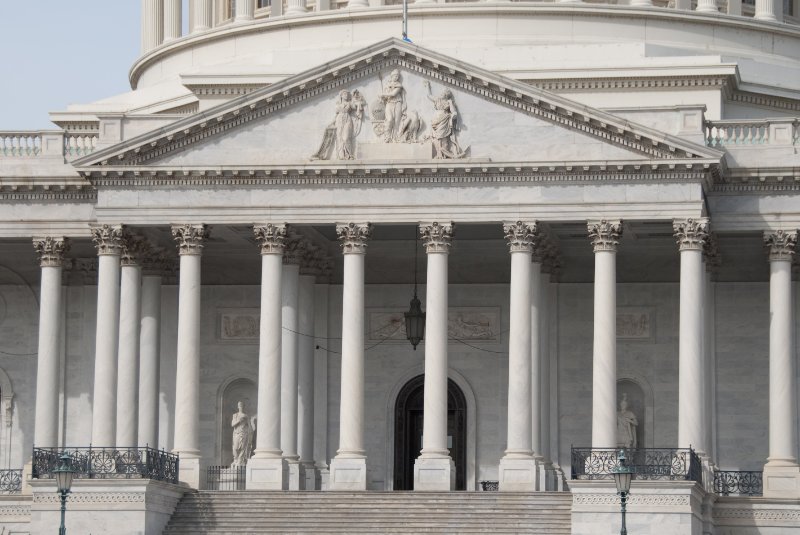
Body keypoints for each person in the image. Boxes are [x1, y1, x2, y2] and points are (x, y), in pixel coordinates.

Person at [423, 81, 466, 159]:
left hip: (444, 120)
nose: (441, 94)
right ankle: (439, 153)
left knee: (442, 137)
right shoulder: (437, 100)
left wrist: (451, 104)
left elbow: (454, 112)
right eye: (442, 93)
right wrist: (427, 86)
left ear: (446, 95)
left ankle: (444, 153)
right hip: (435, 120)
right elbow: (429, 95)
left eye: (443, 93)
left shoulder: (449, 102)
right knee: (436, 137)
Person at [381, 70, 407, 142]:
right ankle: (387, 137)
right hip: (389, 103)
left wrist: (383, 94)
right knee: (389, 119)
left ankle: (395, 137)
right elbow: (386, 97)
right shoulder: (387, 85)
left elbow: (393, 94)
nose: (396, 77)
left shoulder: (399, 85)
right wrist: (383, 97)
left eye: (398, 76)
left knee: (397, 121)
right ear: (391, 76)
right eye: (395, 76)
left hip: (397, 103)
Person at [231, 401, 254, 467]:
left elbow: (249, 426)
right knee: (235, 448)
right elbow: (232, 424)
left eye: (242, 405)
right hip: (236, 433)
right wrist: (239, 421)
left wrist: (250, 434)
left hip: (244, 433)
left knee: (243, 448)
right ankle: (236, 460)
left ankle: (240, 461)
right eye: (240, 405)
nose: (241, 407)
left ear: (244, 407)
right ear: (238, 407)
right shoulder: (235, 415)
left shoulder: (246, 416)